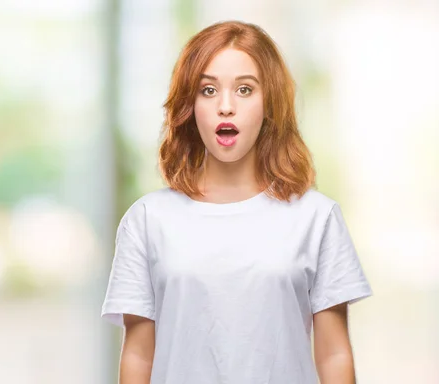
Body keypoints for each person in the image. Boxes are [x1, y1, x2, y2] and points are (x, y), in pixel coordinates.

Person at [101, 20, 372, 384]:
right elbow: (137, 354)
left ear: (269, 103)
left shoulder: (316, 218)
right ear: (189, 105)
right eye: (208, 90)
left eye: (245, 89)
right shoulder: (148, 220)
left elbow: (334, 354)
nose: (225, 106)